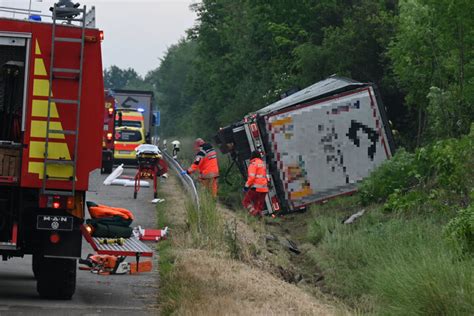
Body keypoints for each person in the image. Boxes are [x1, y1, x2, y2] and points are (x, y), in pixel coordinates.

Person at [243, 151, 269, 216]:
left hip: (256, 188)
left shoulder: (253, 164)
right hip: (264, 189)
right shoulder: (263, 164)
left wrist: (246, 187)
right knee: (258, 206)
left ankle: (253, 213)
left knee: (246, 202)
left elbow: (251, 178)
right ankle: (259, 220)